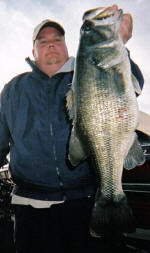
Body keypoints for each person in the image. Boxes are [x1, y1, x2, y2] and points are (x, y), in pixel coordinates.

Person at [0, 6, 144, 253]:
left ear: (67, 47)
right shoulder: (13, 89)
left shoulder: (85, 70)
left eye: (57, 40)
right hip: (30, 206)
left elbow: (134, 84)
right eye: (43, 42)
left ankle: (112, 198)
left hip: (84, 203)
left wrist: (121, 42)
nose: (51, 45)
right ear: (34, 51)